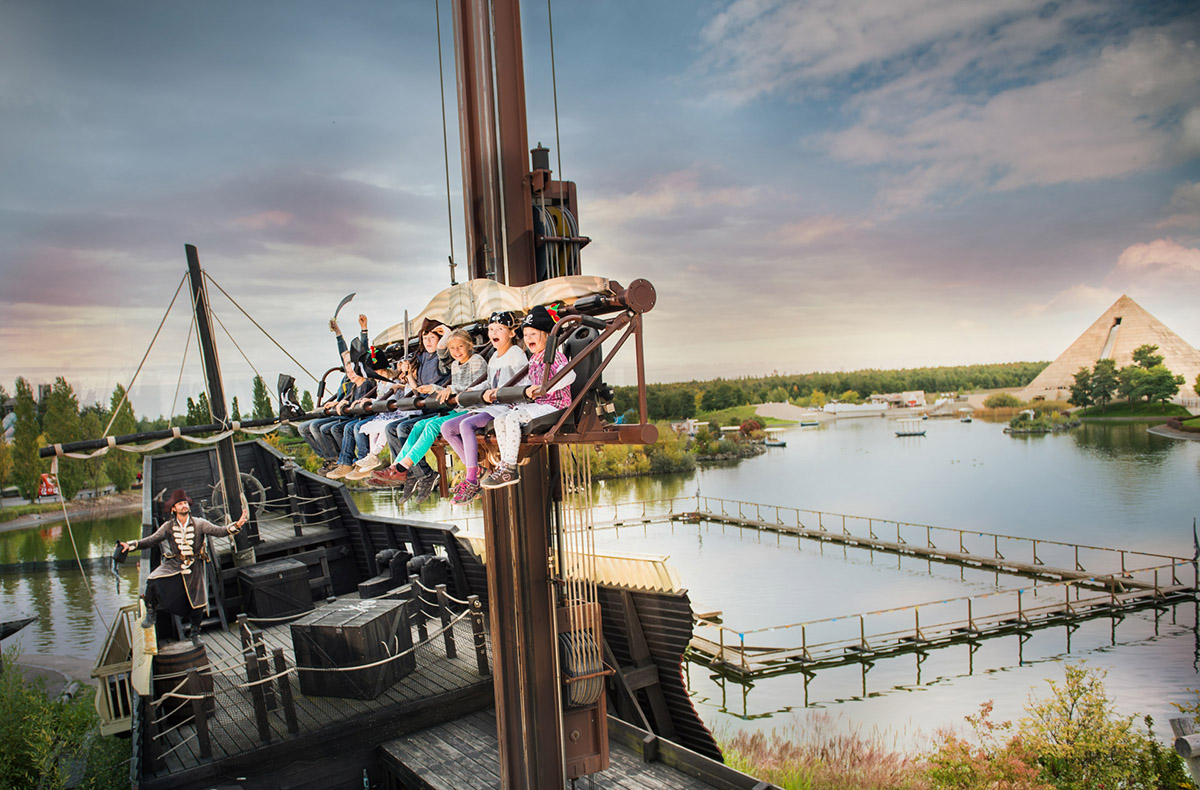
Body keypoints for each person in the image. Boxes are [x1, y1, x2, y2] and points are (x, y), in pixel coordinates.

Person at [120, 489, 246, 637]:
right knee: (152, 580)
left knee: (198, 603)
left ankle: (195, 633)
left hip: (195, 566)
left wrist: (237, 525)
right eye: (180, 504)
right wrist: (131, 545)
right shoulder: (168, 526)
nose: (184, 505)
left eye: (185, 503)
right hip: (175, 563)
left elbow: (220, 531)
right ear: (174, 508)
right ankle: (151, 612)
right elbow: (151, 540)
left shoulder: (200, 523)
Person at [482, 305, 575, 489]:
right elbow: (526, 382)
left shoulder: (553, 355)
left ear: (547, 335)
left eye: (533, 334)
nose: (528, 338)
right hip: (540, 404)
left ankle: (510, 467)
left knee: (514, 417)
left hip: (556, 404)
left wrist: (545, 388)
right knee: (501, 419)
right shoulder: (533, 359)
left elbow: (570, 376)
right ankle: (506, 464)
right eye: (526, 335)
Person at [442, 311, 527, 504]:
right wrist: (470, 391)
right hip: (492, 404)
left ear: (512, 333)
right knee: (447, 428)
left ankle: (472, 480)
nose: (493, 332)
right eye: (491, 329)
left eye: (499, 329)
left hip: (507, 406)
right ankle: (476, 469)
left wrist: (498, 392)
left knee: (466, 425)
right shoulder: (494, 357)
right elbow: (489, 382)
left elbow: (524, 382)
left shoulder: (516, 354)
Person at [393, 328, 487, 504]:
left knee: (432, 426)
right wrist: (434, 389)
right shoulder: (454, 365)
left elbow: (473, 387)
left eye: (460, 346)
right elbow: (452, 391)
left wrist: (449, 389)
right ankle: (397, 465)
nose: (456, 351)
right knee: (418, 426)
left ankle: (406, 464)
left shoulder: (476, 361)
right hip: (459, 409)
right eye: (453, 348)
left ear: (470, 346)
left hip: (473, 407)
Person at [371, 321, 451, 485]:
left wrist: (447, 332)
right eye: (425, 338)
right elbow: (416, 390)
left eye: (432, 338)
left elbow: (444, 349)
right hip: (426, 409)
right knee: (390, 428)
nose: (428, 341)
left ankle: (420, 473)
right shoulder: (422, 359)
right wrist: (408, 374)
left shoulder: (444, 358)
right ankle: (404, 472)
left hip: (441, 409)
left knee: (403, 427)